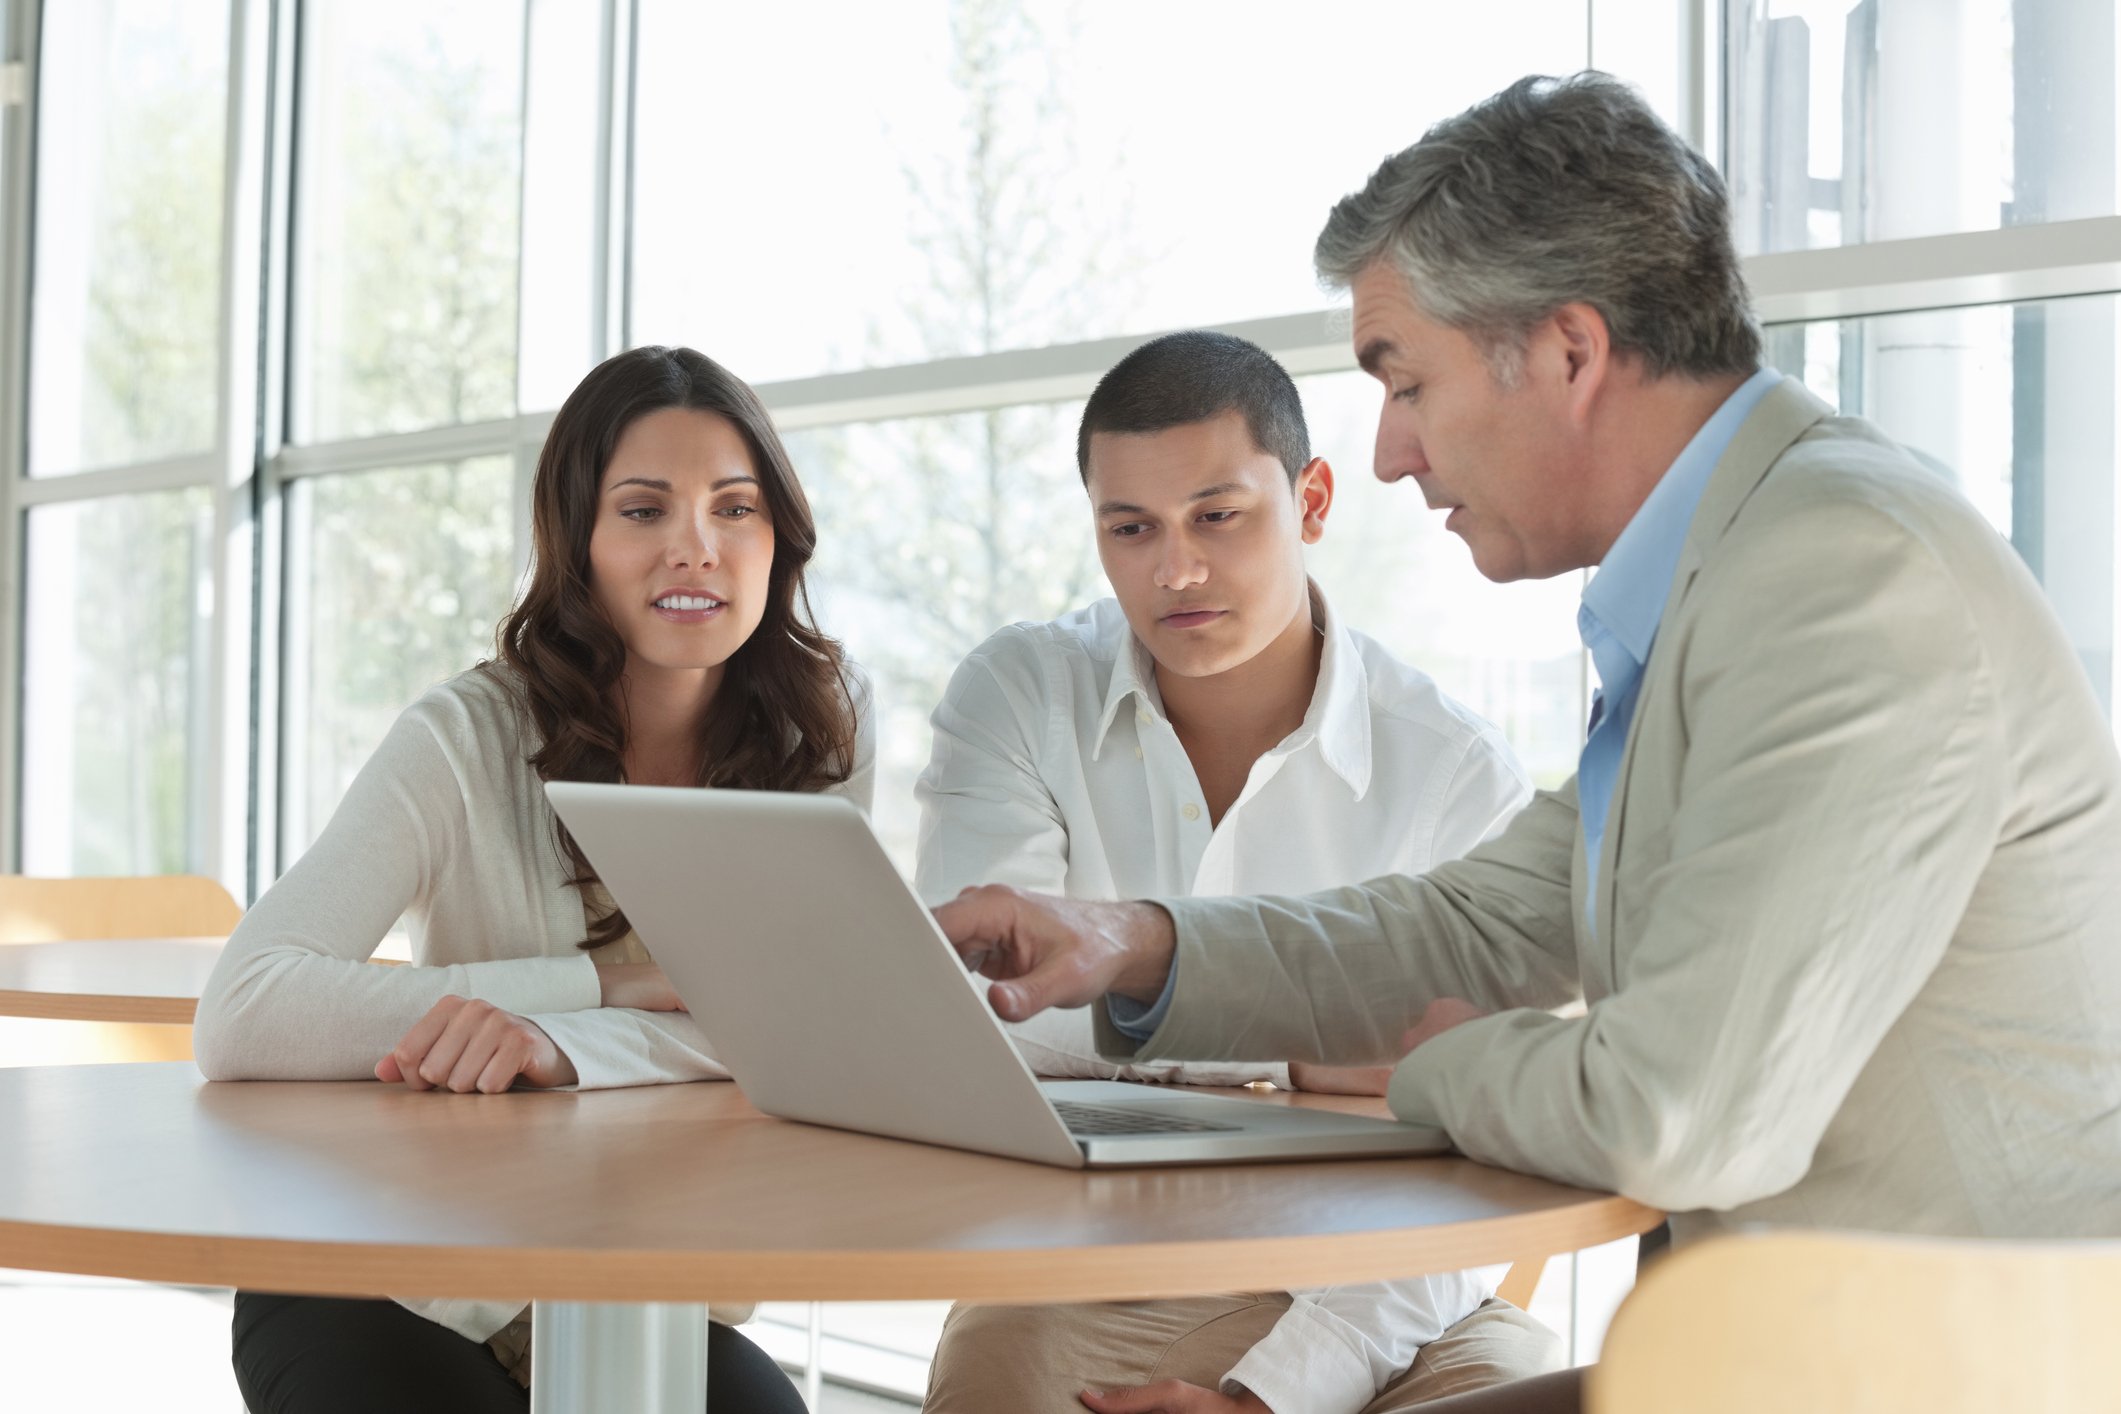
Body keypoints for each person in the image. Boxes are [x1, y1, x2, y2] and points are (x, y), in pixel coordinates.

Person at [935, 73, 2121, 1414]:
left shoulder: (1839, 579)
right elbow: (1481, 925)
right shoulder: (1732, 572)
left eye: (1405, 381)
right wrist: (1134, 945)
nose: (1388, 454)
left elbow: (1670, 1109)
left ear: (1567, 350)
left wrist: (1437, 1067)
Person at [194, 345, 870, 1414]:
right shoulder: (466, 735)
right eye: (644, 511)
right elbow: (244, 1009)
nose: (695, 549)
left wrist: (559, 1048)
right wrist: (599, 987)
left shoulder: (818, 741)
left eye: (734, 509)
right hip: (386, 1269)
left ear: (777, 536)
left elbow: (811, 1027)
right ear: (580, 541)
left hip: (641, 1286)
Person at [915, 330, 1556, 1414]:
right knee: (1003, 1373)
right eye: (1132, 529)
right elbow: (984, 1020)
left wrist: (1273, 1396)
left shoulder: (1451, 774)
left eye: (1218, 515)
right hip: (1097, 1273)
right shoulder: (1021, 695)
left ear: (1310, 501)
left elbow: (1467, 1150)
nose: (1175, 570)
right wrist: (1299, 1060)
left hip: (1385, 1284)